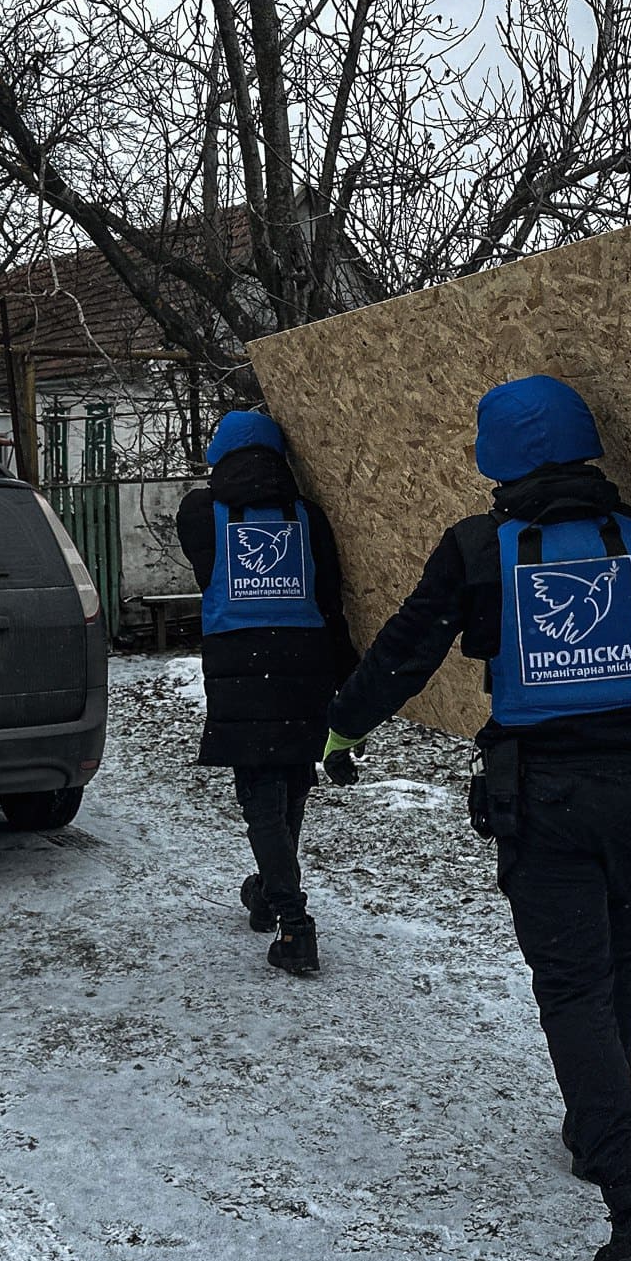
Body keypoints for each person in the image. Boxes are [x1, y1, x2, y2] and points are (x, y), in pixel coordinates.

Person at [323, 374, 631, 1261]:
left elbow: (407, 648)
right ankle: (592, 1123)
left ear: (497, 456)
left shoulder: (478, 548)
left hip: (544, 801)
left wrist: (345, 724)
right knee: (618, 964)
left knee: (569, 988)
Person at [175, 410, 357, 974]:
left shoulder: (202, 513)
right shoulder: (309, 517)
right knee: (293, 780)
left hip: (239, 660)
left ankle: (291, 919)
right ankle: (270, 891)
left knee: (259, 792)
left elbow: (205, 570)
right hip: (306, 657)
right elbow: (331, 596)